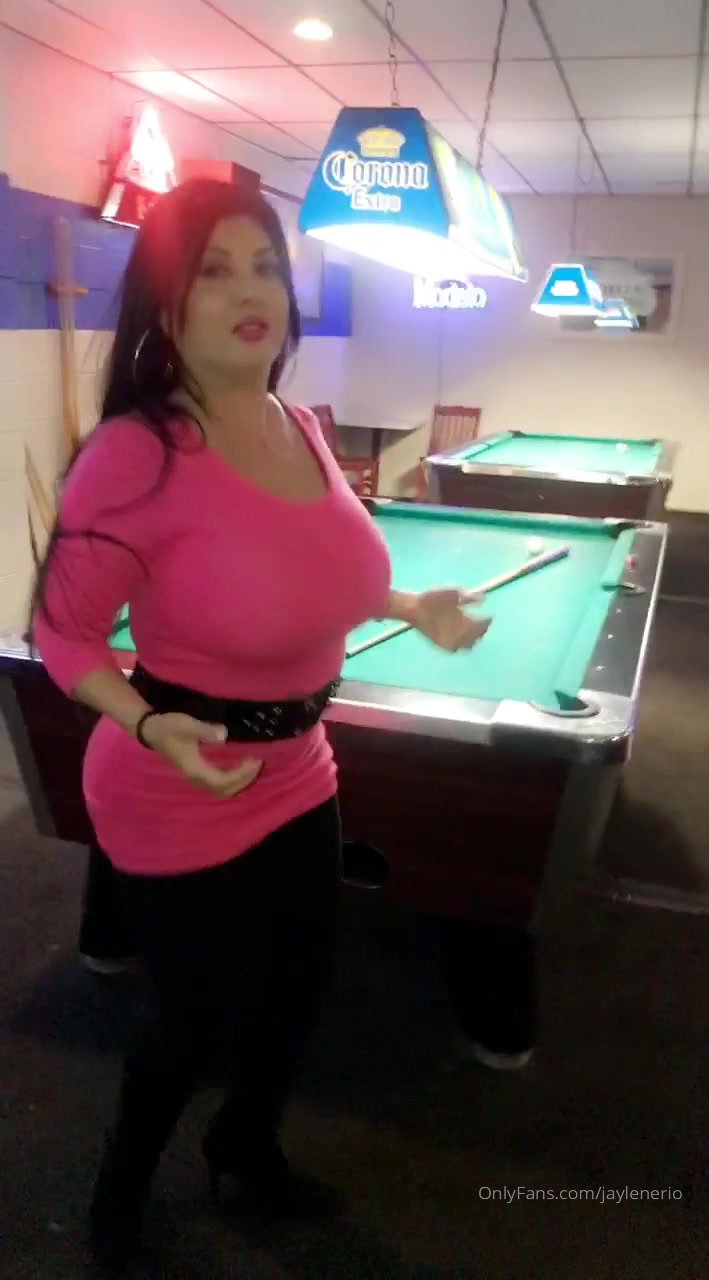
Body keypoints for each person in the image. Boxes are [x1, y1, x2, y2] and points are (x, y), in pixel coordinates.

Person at [31, 178, 491, 1275]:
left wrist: (408, 605)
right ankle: (117, 1200)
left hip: (298, 766)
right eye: (215, 271)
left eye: (267, 267)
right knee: (193, 1020)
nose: (252, 293)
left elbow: (311, 571)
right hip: (174, 777)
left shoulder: (301, 425)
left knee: (295, 987)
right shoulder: (135, 453)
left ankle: (245, 1152)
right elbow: (65, 637)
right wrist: (150, 725)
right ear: (165, 301)